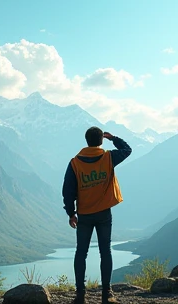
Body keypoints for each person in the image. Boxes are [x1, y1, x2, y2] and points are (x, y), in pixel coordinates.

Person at [63, 126, 132, 304]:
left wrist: (71, 213)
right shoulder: (108, 157)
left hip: (84, 214)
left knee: (81, 253)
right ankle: (107, 294)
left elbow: (68, 191)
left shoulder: (75, 163)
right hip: (103, 213)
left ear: (87, 141)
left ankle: (80, 295)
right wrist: (113, 138)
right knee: (105, 252)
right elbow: (127, 150)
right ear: (101, 140)